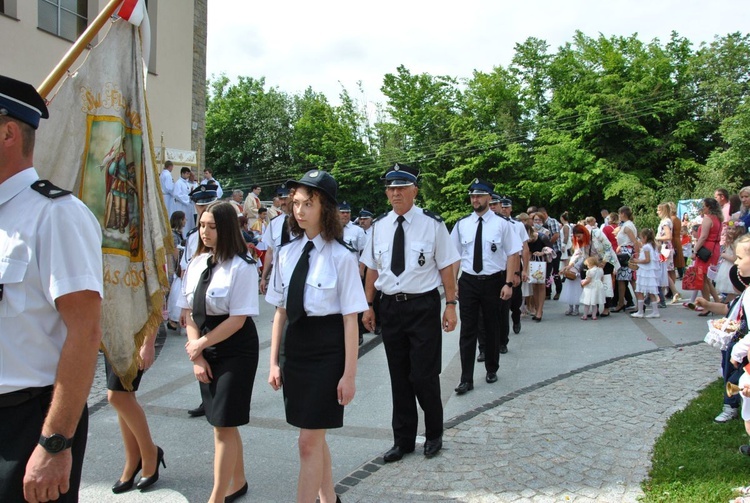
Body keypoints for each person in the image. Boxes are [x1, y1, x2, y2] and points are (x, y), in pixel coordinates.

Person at [0, 75, 103, 502]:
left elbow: (85, 332)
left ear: (7, 132)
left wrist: (55, 443)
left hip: (27, 423)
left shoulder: (57, 216)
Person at [266, 170, 367, 503]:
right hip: (294, 352)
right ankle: (330, 499)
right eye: (296, 203)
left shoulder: (342, 256)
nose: (299, 210)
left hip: (327, 353)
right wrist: (273, 362)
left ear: (326, 208)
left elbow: (350, 320)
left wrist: (349, 375)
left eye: (308, 204)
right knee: (314, 436)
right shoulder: (286, 252)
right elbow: (280, 311)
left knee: (307, 443)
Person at [361, 163, 459, 463]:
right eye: (390, 188)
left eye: (401, 187)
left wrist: (451, 305)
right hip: (390, 306)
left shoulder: (432, 224)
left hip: (422, 305)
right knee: (399, 376)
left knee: (424, 375)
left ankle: (433, 434)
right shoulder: (378, 226)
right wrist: (367, 305)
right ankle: (402, 440)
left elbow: (446, 267)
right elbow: (372, 269)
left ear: (414, 190)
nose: (395, 193)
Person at [179, 201, 259, 503]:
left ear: (225, 229)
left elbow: (238, 320)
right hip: (204, 345)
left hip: (235, 349)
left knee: (223, 424)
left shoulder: (242, 266)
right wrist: (197, 354)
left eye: (212, 227)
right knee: (221, 421)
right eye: (201, 225)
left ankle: (216, 498)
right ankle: (237, 482)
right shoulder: (197, 263)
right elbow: (188, 312)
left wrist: (200, 344)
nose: (204, 232)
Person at [450, 180, 521, 395]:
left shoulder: (502, 224)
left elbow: (513, 253)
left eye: (479, 196)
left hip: (493, 281)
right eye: (472, 196)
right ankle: (466, 378)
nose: (475, 200)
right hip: (469, 281)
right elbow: (454, 256)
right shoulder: (462, 224)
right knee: (467, 330)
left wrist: (509, 283)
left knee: (492, 327)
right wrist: (453, 283)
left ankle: (491, 368)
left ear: (489, 198)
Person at [105, 331, 164, 493]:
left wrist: (148, 343)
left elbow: (154, 306)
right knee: (124, 395)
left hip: (134, 334)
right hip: (111, 334)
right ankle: (133, 458)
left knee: (116, 396)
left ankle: (150, 453)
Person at [180, 183, 220, 418]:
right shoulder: (193, 236)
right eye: (200, 205)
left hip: (215, 301)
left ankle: (214, 400)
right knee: (199, 352)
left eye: (207, 204)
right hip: (196, 298)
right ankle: (205, 398)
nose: (203, 208)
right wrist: (183, 305)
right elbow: (187, 267)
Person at [497, 196, 529, 334]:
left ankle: (516, 318)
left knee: (515, 299)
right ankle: (502, 334)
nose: (504, 209)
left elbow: (525, 248)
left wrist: (524, 270)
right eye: (502, 206)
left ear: (511, 208)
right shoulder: (496, 224)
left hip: (515, 265)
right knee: (501, 302)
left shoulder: (518, 225)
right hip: (499, 266)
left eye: (506, 207)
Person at [259, 184, 291, 295]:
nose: (282, 202)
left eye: (285, 198)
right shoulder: (274, 223)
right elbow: (270, 252)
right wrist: (264, 277)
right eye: (280, 198)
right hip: (279, 277)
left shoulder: (303, 222)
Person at [694, 197, 724, 307]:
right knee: (706, 278)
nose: (703, 208)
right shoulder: (718, 218)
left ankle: (706, 305)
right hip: (715, 248)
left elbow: (703, 237)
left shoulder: (708, 219)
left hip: (706, 249)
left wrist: (695, 250)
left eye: (704, 206)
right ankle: (716, 301)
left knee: (701, 277)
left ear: (709, 207)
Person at [630, 228, 661, 318]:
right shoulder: (652, 245)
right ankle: (655, 311)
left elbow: (647, 260)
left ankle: (640, 311)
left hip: (645, 272)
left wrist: (637, 261)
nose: (640, 240)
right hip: (649, 272)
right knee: (651, 292)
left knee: (640, 291)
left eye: (641, 238)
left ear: (645, 237)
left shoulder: (646, 247)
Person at [614, 206, 638, 312]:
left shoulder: (627, 227)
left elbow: (634, 241)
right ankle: (624, 302)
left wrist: (635, 254)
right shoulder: (627, 225)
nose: (619, 216)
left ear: (623, 214)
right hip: (625, 251)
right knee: (627, 280)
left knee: (625, 279)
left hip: (626, 253)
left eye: (619, 214)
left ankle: (621, 303)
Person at [167, 210, 187, 331]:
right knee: (173, 293)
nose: (186, 221)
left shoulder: (178, 234)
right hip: (173, 269)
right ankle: (172, 319)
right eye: (184, 219)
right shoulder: (174, 235)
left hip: (175, 268)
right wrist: (177, 268)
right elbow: (174, 253)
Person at [173, 167, 194, 236]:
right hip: (181, 206)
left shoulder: (186, 183)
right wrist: (188, 198)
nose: (188, 175)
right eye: (187, 174)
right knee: (183, 222)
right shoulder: (178, 183)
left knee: (188, 223)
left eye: (189, 174)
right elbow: (177, 195)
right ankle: (183, 236)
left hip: (187, 206)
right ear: (182, 173)